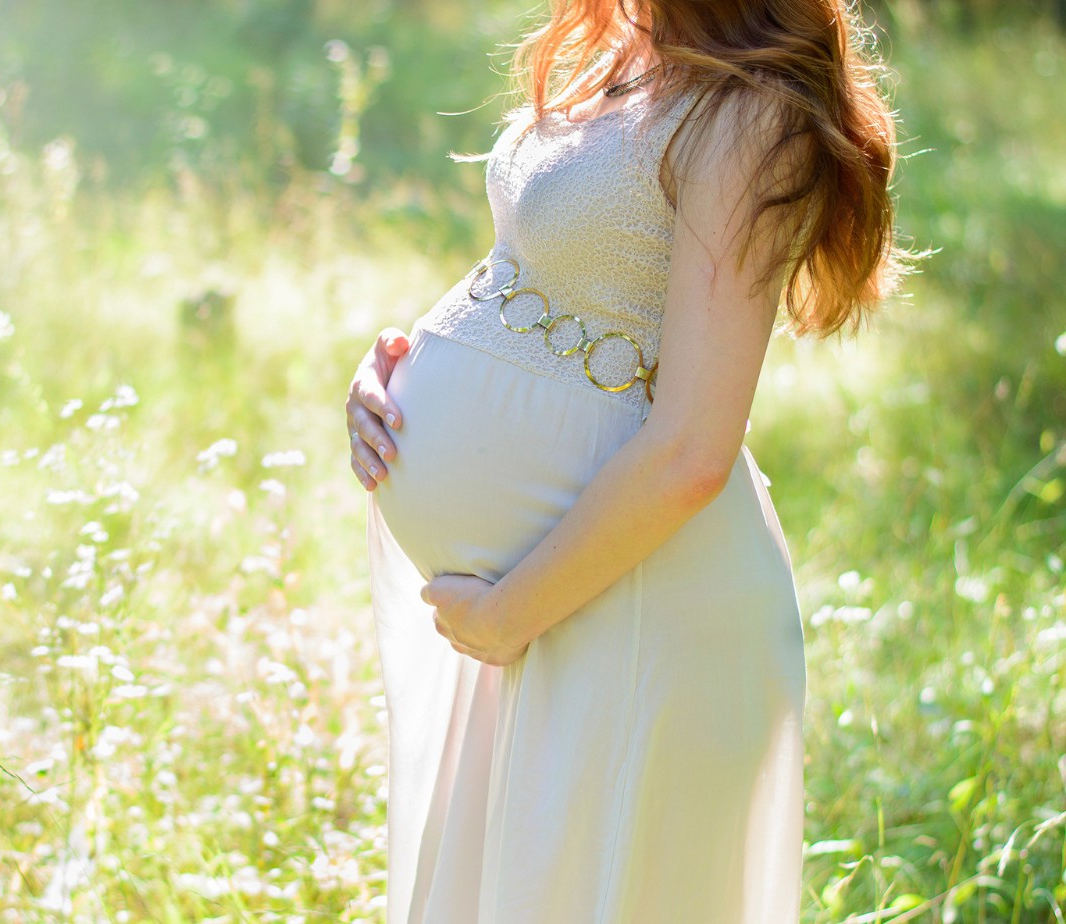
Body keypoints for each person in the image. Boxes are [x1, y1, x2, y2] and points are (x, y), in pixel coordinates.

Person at [343, 1, 911, 921]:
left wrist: (503, 615)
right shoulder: (626, 48)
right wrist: (397, 371)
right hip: (539, 608)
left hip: (631, 611)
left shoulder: (754, 114)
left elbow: (693, 448)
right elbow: (552, 265)